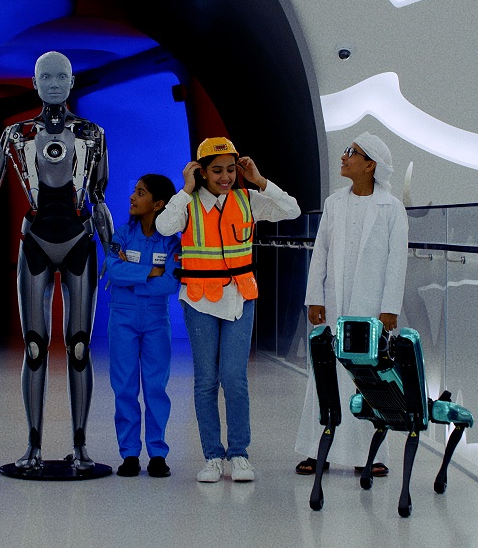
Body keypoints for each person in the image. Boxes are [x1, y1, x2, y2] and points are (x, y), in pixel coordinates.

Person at [0, 51, 115, 473]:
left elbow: (99, 197)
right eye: (45, 76)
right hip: (35, 243)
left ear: (72, 81)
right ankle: (33, 447)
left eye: (61, 76)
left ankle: (80, 446)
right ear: (34, 82)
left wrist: (112, 249)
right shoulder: (16, 134)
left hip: (80, 240)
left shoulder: (93, 134)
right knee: (34, 347)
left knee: (79, 347)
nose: (53, 83)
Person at [157, 137, 301, 483]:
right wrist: (184, 189)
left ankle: (239, 454)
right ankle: (212, 456)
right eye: (217, 170)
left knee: (234, 379)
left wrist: (260, 180)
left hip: (239, 298)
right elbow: (163, 226)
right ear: (202, 172)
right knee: (206, 380)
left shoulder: (248, 199)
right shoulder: (188, 203)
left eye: (231, 170)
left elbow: (292, 209)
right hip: (198, 300)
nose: (225, 177)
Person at [295, 133, 410, 478]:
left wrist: (389, 307)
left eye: (352, 153)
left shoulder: (392, 208)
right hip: (333, 305)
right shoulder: (334, 203)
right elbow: (321, 253)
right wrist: (314, 297)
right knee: (325, 373)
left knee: (368, 378)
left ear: (371, 165)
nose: (344, 157)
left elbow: (397, 262)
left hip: (371, 309)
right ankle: (317, 449)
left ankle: (370, 454)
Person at [108, 173, 181, 478]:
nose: (132, 197)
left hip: (156, 320)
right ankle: (129, 454)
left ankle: (157, 453)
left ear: (158, 203)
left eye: (140, 193)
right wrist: (151, 271)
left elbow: (171, 283)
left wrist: (133, 274)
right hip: (122, 319)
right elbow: (113, 270)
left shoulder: (172, 241)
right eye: (134, 191)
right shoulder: (122, 235)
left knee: (155, 387)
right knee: (124, 387)